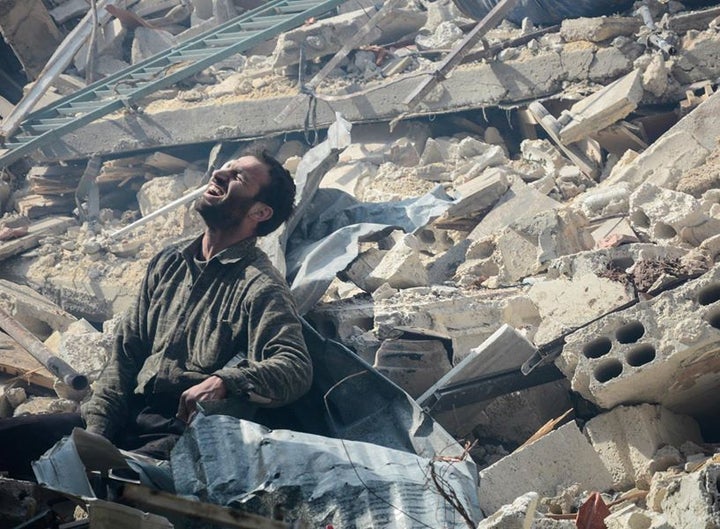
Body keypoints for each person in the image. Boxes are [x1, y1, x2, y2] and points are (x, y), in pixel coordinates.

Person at [0, 150, 312, 478]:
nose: (220, 173)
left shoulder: (260, 286)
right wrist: (97, 432)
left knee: (115, 489)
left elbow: (295, 366)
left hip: (179, 437)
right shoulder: (169, 262)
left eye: (239, 178)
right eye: (226, 167)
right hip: (125, 418)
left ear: (260, 212)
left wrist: (224, 381)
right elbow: (125, 355)